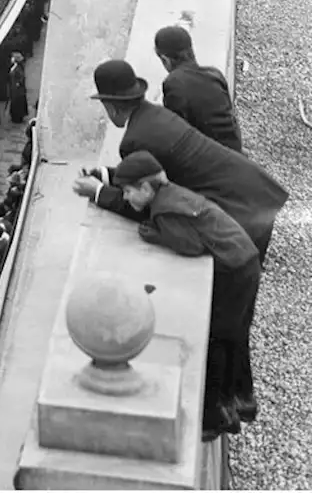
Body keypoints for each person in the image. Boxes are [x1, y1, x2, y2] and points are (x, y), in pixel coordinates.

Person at [80, 151, 260, 437]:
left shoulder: (165, 210)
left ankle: (216, 417)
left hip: (233, 272)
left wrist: (150, 233)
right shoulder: (170, 195)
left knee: (217, 338)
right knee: (236, 334)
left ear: (146, 189)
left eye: (128, 192)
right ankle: (242, 400)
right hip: (244, 260)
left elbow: (189, 245)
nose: (126, 199)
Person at [78, 59, 287, 260]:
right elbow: (158, 172)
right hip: (253, 190)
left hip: (237, 210)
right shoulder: (156, 115)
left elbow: (148, 202)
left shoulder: (132, 141)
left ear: (110, 106)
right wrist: (106, 175)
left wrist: (98, 193)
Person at [153, 25, 243, 154]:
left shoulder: (174, 82)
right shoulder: (215, 74)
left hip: (210, 157)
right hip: (234, 148)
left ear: (165, 60)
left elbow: (175, 133)